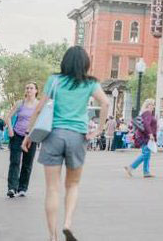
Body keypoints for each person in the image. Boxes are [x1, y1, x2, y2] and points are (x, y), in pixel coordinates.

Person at [23, 45, 110, 241]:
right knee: (72, 185)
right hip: (77, 136)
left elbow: (38, 108)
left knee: (52, 188)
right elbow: (105, 102)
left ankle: (52, 236)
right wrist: (99, 129)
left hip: (53, 135)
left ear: (65, 62)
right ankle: (67, 223)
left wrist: (29, 134)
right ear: (85, 64)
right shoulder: (90, 83)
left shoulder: (55, 80)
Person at [5, 81, 40, 197]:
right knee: (14, 162)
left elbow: (41, 121)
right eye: (27, 88)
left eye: (31, 88)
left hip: (31, 137)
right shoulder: (20, 103)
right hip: (17, 135)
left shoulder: (39, 105)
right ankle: (12, 188)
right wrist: (10, 130)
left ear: (36, 91)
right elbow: (8, 117)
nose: (29, 90)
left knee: (27, 163)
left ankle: (22, 188)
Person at [125, 98, 158, 178]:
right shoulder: (147, 113)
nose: (154, 107)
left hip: (144, 136)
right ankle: (131, 167)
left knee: (147, 154)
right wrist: (150, 134)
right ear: (149, 105)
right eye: (153, 105)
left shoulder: (145, 112)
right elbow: (146, 124)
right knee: (146, 153)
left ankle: (146, 172)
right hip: (145, 136)